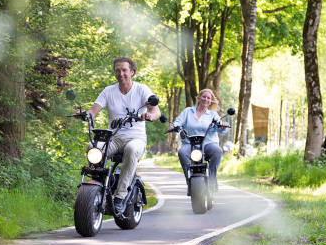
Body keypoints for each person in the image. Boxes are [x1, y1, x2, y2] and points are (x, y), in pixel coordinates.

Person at [82, 57, 160, 213]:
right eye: (117, 70)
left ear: (132, 72)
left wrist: (150, 115)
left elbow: (155, 110)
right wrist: (87, 115)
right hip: (114, 138)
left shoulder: (142, 89)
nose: (121, 73)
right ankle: (97, 183)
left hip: (136, 138)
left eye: (124, 70)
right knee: (93, 147)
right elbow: (94, 110)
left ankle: (120, 196)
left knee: (131, 149)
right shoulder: (108, 91)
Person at [171, 88, 229, 195]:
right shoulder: (188, 111)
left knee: (217, 151)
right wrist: (175, 127)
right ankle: (190, 183)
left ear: (211, 101)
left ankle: (211, 180)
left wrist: (222, 126)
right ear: (199, 98)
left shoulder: (212, 115)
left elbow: (219, 127)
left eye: (208, 98)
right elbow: (177, 122)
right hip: (190, 144)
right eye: (204, 97)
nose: (206, 99)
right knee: (182, 152)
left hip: (208, 143)